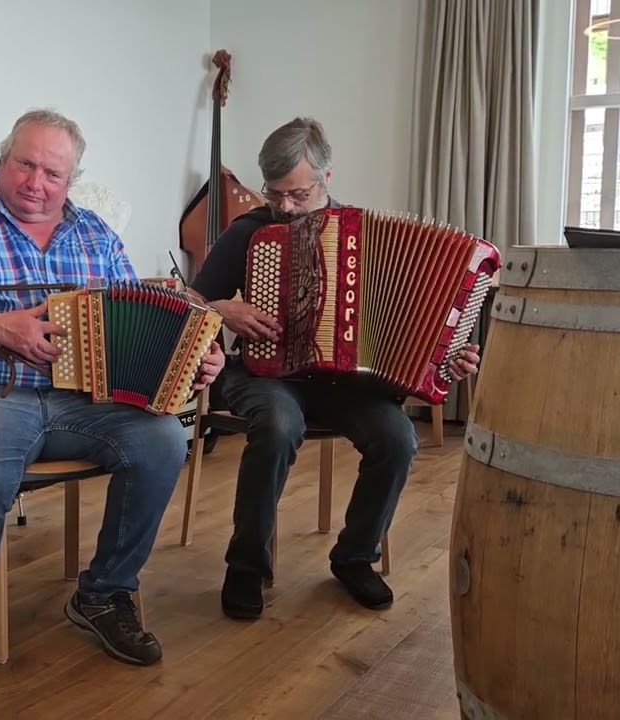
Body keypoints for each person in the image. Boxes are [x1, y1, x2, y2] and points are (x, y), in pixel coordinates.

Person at [0, 108, 226, 682]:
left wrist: (195, 355)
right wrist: (2, 328)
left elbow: (144, 314)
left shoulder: (96, 233)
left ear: (69, 181)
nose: (36, 182)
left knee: (160, 441)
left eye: (53, 173)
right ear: (2, 160)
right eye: (25, 164)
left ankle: (103, 593)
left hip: (84, 400)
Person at [186, 117, 481, 619]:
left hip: (346, 383)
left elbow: (419, 317)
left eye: (297, 194)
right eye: (275, 193)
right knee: (278, 428)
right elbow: (192, 299)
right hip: (266, 374)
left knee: (397, 439)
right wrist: (221, 308)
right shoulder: (250, 232)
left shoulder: (364, 233)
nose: (285, 206)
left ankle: (354, 557)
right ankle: (246, 567)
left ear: (327, 176)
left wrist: (450, 355)